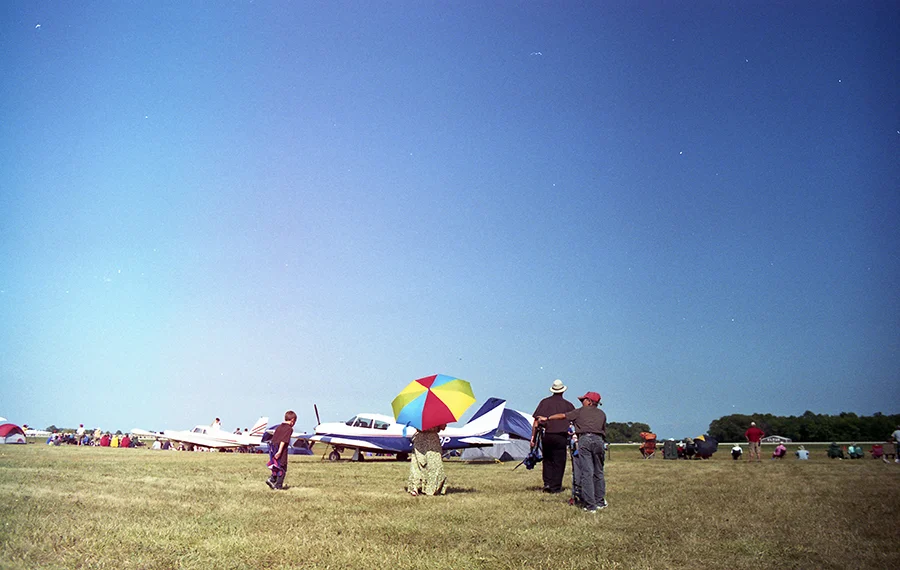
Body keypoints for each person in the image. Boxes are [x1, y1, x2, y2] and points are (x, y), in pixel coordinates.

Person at [537, 391, 607, 513]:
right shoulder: (602, 414)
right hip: (599, 441)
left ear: (589, 402)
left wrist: (547, 418)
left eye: (583, 400)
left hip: (585, 440)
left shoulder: (580, 411)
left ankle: (590, 505)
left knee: (587, 472)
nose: (581, 402)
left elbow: (562, 416)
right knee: (598, 472)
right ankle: (600, 501)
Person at [532, 379, 575, 493]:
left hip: (547, 434)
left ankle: (547, 483)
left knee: (548, 460)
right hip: (561, 435)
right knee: (559, 461)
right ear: (562, 391)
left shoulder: (544, 402)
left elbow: (536, 422)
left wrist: (533, 438)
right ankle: (555, 486)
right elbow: (574, 420)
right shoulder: (568, 405)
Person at [407, 423, 448, 496]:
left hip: (419, 439)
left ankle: (415, 487)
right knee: (434, 464)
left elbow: (415, 426)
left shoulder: (418, 413)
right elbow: (443, 428)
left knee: (417, 464)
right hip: (432, 440)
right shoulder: (438, 415)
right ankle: (432, 488)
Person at [266, 411, 296, 490]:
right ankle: (278, 486)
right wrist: (280, 451)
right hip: (280, 449)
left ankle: (272, 479)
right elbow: (284, 440)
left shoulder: (278, 427)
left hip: (273, 447)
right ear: (292, 420)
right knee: (282, 467)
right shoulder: (289, 429)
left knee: (276, 466)